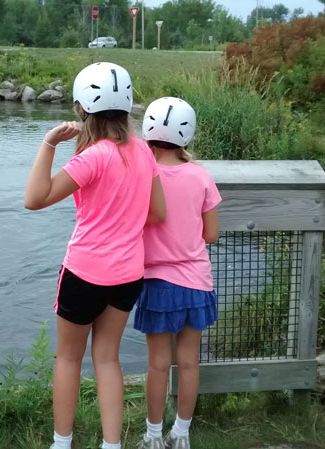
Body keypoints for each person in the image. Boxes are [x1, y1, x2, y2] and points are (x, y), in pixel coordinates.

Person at [24, 62, 166, 449]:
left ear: (82, 110)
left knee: (69, 359)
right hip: (128, 275)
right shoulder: (143, 152)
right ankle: (111, 445)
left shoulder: (93, 157)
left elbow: (34, 199)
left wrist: (49, 143)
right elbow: (157, 214)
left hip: (85, 273)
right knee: (108, 359)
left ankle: (61, 443)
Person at [134, 97, 221, 449]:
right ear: (188, 134)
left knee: (158, 365)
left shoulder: (141, 175)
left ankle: (153, 436)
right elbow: (211, 234)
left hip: (156, 284)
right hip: (197, 283)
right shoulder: (201, 175)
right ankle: (181, 433)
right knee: (189, 363)